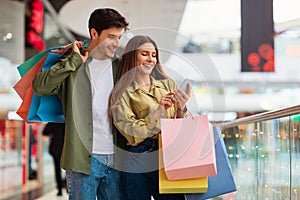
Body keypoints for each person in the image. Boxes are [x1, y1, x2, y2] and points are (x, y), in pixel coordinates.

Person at [32, 8, 129, 200]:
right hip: (82, 159)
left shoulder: (120, 67)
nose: (117, 43)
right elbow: (40, 86)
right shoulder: (73, 63)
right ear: (94, 33)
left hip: (116, 159)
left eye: (119, 37)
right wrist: (73, 61)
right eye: (111, 37)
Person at [110, 35, 192, 200]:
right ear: (133, 56)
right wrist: (159, 109)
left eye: (154, 55)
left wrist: (181, 109)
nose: (151, 59)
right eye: (145, 54)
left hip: (168, 153)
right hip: (139, 158)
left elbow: (180, 125)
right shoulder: (121, 93)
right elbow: (133, 134)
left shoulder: (168, 84)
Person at [42, 122, 65, 196]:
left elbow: (44, 132)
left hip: (55, 149)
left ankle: (60, 189)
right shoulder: (67, 121)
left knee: (57, 169)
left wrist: (51, 133)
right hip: (66, 148)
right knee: (69, 169)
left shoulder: (53, 121)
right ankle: (68, 187)